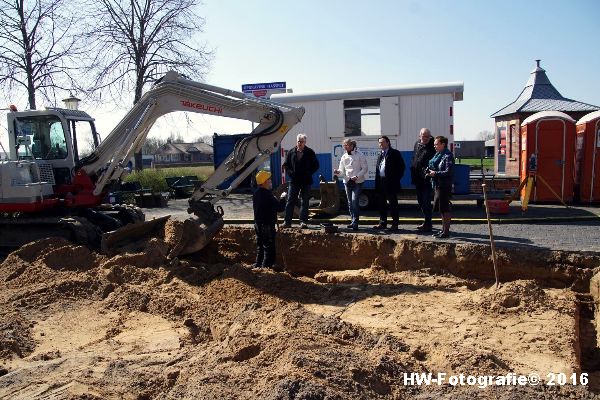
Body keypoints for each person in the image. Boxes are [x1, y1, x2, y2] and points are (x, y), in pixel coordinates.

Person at [282, 133, 320, 228]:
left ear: (305, 142)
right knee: (290, 201)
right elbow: (286, 165)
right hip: (294, 181)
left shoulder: (310, 152)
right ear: (297, 141)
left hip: (306, 181)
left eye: (302, 142)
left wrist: (308, 173)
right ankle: (287, 222)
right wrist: (291, 174)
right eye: (298, 141)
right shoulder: (291, 152)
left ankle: (303, 222)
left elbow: (316, 165)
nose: (300, 143)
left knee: (305, 201)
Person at [252, 170, 286, 270]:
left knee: (261, 246)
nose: (270, 181)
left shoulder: (256, 193)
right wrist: (283, 198)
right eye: (269, 179)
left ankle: (258, 265)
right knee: (269, 247)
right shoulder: (268, 195)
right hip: (267, 225)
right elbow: (280, 208)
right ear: (264, 182)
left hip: (258, 224)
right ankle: (266, 268)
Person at [334, 138, 368, 231]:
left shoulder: (360, 155)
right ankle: (353, 221)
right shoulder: (344, 156)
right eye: (344, 145)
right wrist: (338, 172)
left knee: (354, 201)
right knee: (349, 202)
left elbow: (365, 168)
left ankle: (355, 222)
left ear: (352, 145)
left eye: (347, 145)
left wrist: (357, 176)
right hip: (347, 182)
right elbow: (341, 170)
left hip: (357, 182)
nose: (345, 147)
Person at [373, 135, 405, 232]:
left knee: (393, 204)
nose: (380, 144)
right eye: (379, 143)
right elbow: (378, 170)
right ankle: (383, 223)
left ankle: (395, 224)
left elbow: (401, 167)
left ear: (388, 143)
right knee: (381, 204)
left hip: (391, 183)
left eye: (382, 142)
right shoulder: (380, 154)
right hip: (381, 182)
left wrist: (395, 179)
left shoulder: (395, 153)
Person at [426, 136, 455, 238]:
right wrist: (430, 172)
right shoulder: (439, 155)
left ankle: (446, 232)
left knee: (444, 209)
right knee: (441, 209)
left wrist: (435, 173)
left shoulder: (448, 155)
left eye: (436, 144)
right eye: (434, 144)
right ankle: (443, 230)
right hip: (438, 185)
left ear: (443, 144)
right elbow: (436, 168)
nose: (435, 146)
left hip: (444, 185)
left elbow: (448, 172)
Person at [410, 128, 436, 232]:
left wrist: (428, 171)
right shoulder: (417, 144)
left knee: (426, 201)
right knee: (420, 201)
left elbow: (434, 161)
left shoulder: (432, 146)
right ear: (419, 136)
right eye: (423, 136)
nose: (425, 138)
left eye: (427, 136)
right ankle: (426, 221)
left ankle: (428, 223)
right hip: (417, 178)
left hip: (427, 179)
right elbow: (415, 157)